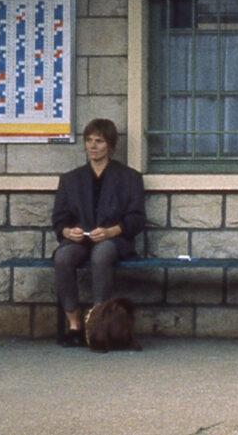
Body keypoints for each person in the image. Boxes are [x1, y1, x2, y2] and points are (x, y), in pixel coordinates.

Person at [51, 118, 146, 347]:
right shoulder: (71, 179)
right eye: (89, 140)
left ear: (110, 145)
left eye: (99, 141)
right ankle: (74, 325)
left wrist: (111, 231)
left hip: (114, 240)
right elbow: (59, 218)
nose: (92, 146)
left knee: (101, 254)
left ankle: (98, 322)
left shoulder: (129, 178)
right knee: (62, 257)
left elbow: (137, 218)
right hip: (80, 240)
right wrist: (67, 231)